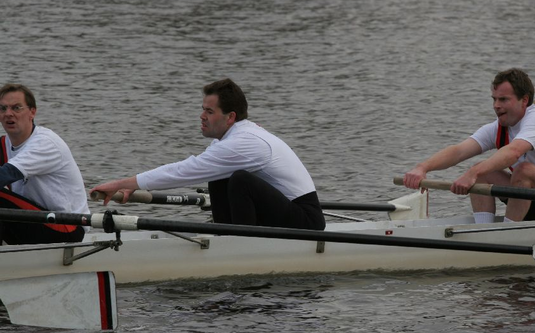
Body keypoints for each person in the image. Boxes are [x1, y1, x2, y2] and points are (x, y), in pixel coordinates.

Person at [91, 78, 326, 230]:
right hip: (283, 210)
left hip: (307, 220)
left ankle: (242, 244)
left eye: (210, 111)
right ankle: (227, 236)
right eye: (203, 109)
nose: (202, 116)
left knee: (240, 180)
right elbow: (192, 169)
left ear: (230, 117)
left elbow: (184, 171)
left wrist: (123, 183)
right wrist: (134, 185)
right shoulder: (231, 139)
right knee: (220, 175)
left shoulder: (244, 142)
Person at [403, 68, 535, 223]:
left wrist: (472, 174)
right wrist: (422, 168)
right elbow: (459, 151)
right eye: (494, 99)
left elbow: (514, 152)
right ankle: (484, 233)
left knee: (522, 170)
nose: (496, 105)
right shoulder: (498, 128)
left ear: (524, 100)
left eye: (503, 99)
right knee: (483, 173)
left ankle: (506, 233)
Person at [0, 83, 89, 244]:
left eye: (16, 108)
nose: (8, 114)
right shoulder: (4, 144)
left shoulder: (45, 143)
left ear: (32, 112)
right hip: (37, 221)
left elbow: (5, 175)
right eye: (3, 108)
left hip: (66, 227)